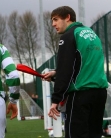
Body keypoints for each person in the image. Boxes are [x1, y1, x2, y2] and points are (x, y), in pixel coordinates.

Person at [43, 6, 108, 138]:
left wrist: (55, 100)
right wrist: (56, 73)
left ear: (67, 17)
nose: (53, 24)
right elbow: (83, 64)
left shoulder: (68, 36)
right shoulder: (92, 34)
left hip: (80, 95)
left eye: (55, 19)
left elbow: (66, 70)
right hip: (100, 94)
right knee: (94, 135)